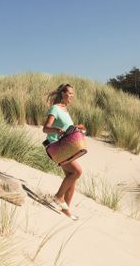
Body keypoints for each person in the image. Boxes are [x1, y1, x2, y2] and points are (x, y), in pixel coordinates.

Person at [43, 84, 86, 220]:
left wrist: (77, 128)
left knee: (71, 179)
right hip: (56, 147)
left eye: (73, 94)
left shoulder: (66, 111)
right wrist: (56, 130)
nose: (71, 96)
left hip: (64, 147)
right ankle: (58, 196)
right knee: (77, 172)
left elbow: (67, 129)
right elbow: (45, 128)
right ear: (63, 94)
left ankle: (66, 210)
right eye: (69, 93)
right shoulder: (55, 108)